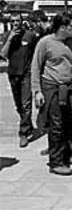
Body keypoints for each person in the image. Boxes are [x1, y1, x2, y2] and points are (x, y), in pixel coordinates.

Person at [31, 14, 72, 176]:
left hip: (69, 88)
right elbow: (35, 67)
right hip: (51, 87)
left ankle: (69, 152)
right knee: (56, 125)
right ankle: (56, 162)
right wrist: (37, 91)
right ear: (62, 27)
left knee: (69, 121)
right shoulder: (45, 42)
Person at [0, 13, 38, 147]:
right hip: (13, 73)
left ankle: (23, 133)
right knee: (19, 105)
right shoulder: (6, 36)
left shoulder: (30, 36)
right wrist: (10, 39)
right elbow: (3, 55)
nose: (16, 23)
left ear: (22, 22)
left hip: (26, 73)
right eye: (13, 21)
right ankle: (27, 123)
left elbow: (36, 54)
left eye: (18, 21)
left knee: (26, 103)